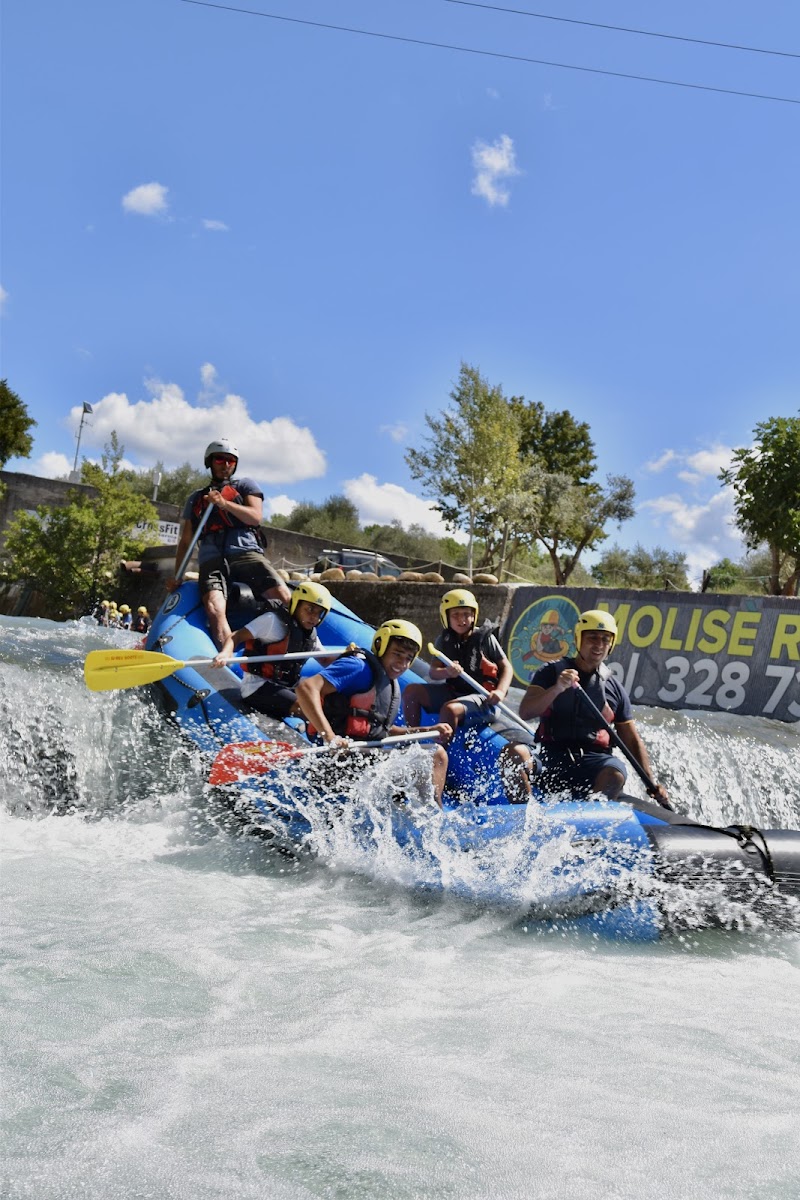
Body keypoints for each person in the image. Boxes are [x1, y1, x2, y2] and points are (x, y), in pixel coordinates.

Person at [518, 609, 671, 807]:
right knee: (513, 754)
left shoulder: (615, 689)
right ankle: (525, 815)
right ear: (578, 639)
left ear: (611, 645)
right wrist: (557, 688)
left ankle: (588, 827)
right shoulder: (550, 673)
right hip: (550, 756)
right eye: (592, 638)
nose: (598, 645)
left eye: (605, 639)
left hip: (593, 763)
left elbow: (631, 740)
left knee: (615, 774)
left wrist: (651, 782)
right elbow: (526, 711)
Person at [295, 619, 452, 806]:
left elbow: (383, 729)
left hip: (362, 759)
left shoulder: (389, 682)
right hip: (336, 760)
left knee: (413, 768)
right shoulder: (358, 667)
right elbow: (306, 688)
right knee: (436, 755)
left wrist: (428, 730)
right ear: (381, 646)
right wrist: (330, 737)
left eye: (408, 658)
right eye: (397, 654)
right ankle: (433, 818)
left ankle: (417, 817)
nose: (402, 664)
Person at [402, 589, 536, 802]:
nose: (463, 619)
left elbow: (506, 668)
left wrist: (499, 691)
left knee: (450, 709)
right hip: (455, 692)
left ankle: (437, 762)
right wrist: (447, 672)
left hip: (483, 699)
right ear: (446, 616)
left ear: (474, 615)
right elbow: (433, 672)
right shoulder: (443, 640)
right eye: (456, 614)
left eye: (467, 614)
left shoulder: (485, 639)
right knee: (412, 691)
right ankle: (412, 747)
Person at [168, 438, 291, 647]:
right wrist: (176, 575)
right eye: (220, 459)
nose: (225, 465)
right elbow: (186, 541)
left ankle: (294, 646)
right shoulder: (196, 498)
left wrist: (224, 504)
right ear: (210, 462)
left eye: (231, 461)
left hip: (244, 552)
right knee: (214, 608)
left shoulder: (245, 486)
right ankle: (226, 661)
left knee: (284, 597)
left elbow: (254, 517)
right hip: (212, 558)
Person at [212, 581, 334, 720]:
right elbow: (236, 636)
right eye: (310, 609)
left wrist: (351, 656)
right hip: (257, 687)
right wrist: (226, 653)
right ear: (297, 604)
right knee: (305, 707)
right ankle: (327, 737)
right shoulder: (272, 621)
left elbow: (325, 659)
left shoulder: (309, 634)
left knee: (328, 702)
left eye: (319, 613)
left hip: (287, 686)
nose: (314, 617)